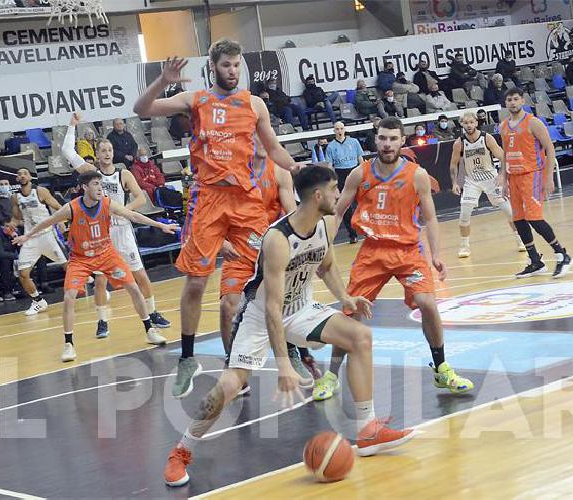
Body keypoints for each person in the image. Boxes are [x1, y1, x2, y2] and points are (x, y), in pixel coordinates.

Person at [163, 166, 415, 487]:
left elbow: (326, 266)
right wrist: (283, 364)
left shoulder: (324, 225)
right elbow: (271, 309)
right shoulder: (278, 239)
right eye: (335, 188)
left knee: (360, 337)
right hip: (259, 316)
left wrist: (345, 298)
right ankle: (181, 451)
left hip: (300, 308)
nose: (339, 195)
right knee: (227, 387)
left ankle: (367, 431)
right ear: (318, 195)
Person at [132, 40, 306, 398]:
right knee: (195, 283)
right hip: (208, 199)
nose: (232, 71)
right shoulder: (196, 100)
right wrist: (163, 80)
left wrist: (293, 166)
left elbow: (272, 147)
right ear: (213, 66)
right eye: (226, 65)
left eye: (236, 65)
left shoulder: (254, 104)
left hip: (245, 202)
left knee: (271, 273)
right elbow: (142, 108)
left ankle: (290, 349)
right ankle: (187, 358)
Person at [318, 117, 476, 402]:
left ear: (402, 141)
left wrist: (436, 255)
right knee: (349, 309)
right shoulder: (359, 174)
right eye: (382, 138)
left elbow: (430, 217)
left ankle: (441, 367)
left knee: (428, 303)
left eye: (393, 139)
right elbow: (337, 212)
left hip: (407, 251)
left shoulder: (417, 175)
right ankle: (331, 375)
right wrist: (324, 247)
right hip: (373, 250)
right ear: (375, 140)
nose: (387, 144)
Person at [13, 171, 176, 361]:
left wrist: (160, 225)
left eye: (101, 184)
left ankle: (149, 330)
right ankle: (68, 344)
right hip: (80, 259)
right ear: (84, 187)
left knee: (133, 287)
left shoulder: (107, 203)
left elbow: (132, 215)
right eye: (95, 184)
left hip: (106, 254)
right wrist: (27, 236)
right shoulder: (71, 208)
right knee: (69, 296)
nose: (100, 188)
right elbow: (47, 222)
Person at [218, 136, 317, 393]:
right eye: (255, 137)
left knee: (283, 305)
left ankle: (294, 353)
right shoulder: (229, 172)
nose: (262, 141)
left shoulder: (279, 172)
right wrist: (219, 239)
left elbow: (291, 213)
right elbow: (213, 211)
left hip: (271, 248)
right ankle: (234, 365)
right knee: (228, 306)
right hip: (240, 249)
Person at [64, 118, 173, 334]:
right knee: (101, 279)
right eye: (103, 150)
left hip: (121, 229)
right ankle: (102, 321)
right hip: (100, 232)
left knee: (140, 275)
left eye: (109, 150)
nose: (106, 153)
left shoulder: (123, 174)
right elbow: (67, 151)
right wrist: (71, 126)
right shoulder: (90, 172)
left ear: (113, 153)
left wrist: (122, 211)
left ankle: (153, 313)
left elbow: (141, 198)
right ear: (97, 154)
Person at [499, 89, 573, 278]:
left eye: (516, 99)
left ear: (523, 100)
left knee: (534, 218)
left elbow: (550, 148)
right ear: (506, 103)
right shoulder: (503, 126)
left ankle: (562, 254)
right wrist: (504, 178)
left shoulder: (533, 122)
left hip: (532, 175)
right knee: (518, 219)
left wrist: (548, 177)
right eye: (509, 100)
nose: (513, 103)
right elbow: (505, 154)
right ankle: (535, 261)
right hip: (513, 176)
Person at [450, 112, 525, 258]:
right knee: (464, 215)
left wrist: (502, 175)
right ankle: (464, 246)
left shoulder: (486, 138)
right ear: (462, 125)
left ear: (476, 123)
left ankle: (520, 240)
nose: (469, 125)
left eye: (471, 122)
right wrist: (455, 182)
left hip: (491, 179)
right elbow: (453, 165)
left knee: (509, 212)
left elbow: (503, 157)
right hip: (471, 181)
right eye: (466, 123)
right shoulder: (459, 143)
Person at [7, 168, 70, 316]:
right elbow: (16, 218)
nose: (22, 175)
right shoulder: (15, 197)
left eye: (25, 173)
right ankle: (38, 301)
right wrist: (11, 225)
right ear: (17, 178)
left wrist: (61, 221)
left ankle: (93, 283)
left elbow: (57, 207)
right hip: (30, 238)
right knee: (23, 273)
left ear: (30, 176)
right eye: (19, 174)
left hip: (48, 234)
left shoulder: (40, 191)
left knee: (68, 266)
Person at [325, 121, 365, 242]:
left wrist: (365, 175)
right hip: (340, 174)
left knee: (363, 201)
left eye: (341, 128)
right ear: (334, 131)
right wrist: (333, 184)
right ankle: (352, 234)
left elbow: (360, 159)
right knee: (346, 205)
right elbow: (330, 166)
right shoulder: (331, 146)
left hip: (354, 171)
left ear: (344, 129)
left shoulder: (354, 142)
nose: (339, 131)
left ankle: (367, 228)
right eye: (337, 129)